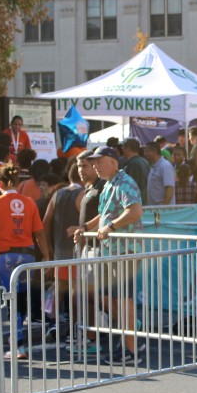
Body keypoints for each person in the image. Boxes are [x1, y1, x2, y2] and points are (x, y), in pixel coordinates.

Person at [76, 145, 144, 363]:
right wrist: (85, 228)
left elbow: (134, 210)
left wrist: (111, 227)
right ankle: (129, 342)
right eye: (93, 162)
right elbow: (104, 215)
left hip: (124, 250)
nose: (95, 166)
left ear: (113, 163)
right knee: (112, 298)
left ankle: (132, 350)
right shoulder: (108, 184)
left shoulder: (124, 182)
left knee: (123, 299)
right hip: (111, 251)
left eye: (99, 161)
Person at [0, 164, 50, 359]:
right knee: (22, 298)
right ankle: (18, 339)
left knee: (11, 299)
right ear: (17, 182)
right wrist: (46, 255)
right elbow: (39, 233)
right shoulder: (29, 203)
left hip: (5, 257)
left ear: (0, 183)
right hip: (28, 255)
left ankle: (17, 345)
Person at [43, 162, 85, 343]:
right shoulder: (82, 195)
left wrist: (49, 247)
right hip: (76, 250)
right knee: (75, 290)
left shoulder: (57, 194)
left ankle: (53, 323)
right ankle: (74, 328)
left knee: (59, 288)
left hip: (59, 249)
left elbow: (45, 222)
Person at [144, 141, 176, 206]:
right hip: (155, 209)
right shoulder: (153, 166)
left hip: (163, 210)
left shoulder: (165, 166)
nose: (145, 154)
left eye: (147, 151)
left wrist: (163, 208)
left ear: (154, 152)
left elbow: (169, 188)